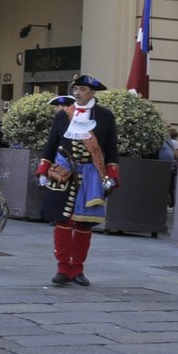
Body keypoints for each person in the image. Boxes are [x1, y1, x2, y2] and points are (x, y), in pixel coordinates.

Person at [35, 74, 119, 286]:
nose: (77, 93)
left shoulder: (105, 116)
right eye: (76, 89)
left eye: (82, 90)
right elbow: (51, 145)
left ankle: (78, 269)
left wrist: (111, 176)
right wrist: (44, 171)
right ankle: (63, 268)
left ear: (92, 92)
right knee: (62, 221)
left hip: (91, 175)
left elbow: (111, 151)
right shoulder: (63, 116)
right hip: (63, 172)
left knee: (84, 224)